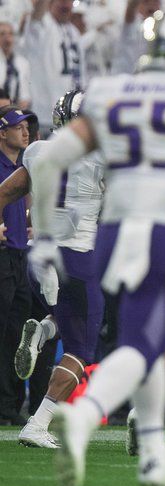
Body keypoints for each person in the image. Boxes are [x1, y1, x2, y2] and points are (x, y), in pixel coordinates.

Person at [26, 11, 165, 486]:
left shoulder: (110, 92)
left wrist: (44, 236)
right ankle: (83, 415)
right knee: (145, 347)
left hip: (110, 236)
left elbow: (51, 163)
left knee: (143, 343)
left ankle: (153, 455)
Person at [0, 91, 105, 448]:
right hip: (76, 259)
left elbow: (4, 194)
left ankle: (43, 331)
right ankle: (38, 422)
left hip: (38, 258)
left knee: (67, 314)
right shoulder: (102, 156)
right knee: (82, 350)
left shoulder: (37, 151)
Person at [0, 106, 32, 426]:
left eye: (26, 127)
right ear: (2, 132)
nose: (25, 132)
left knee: (16, 335)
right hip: (3, 255)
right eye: (17, 126)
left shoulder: (22, 165)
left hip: (21, 256)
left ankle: (10, 405)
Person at [20, 0, 82, 132]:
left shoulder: (73, 31)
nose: (65, 4)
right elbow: (36, 17)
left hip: (70, 117)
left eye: (68, 1)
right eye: (61, 1)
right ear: (50, 3)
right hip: (44, 116)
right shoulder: (43, 24)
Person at [0, 22, 31, 108]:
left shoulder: (23, 63)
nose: (7, 38)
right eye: (2, 34)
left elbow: (25, 93)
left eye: (10, 33)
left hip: (15, 112)